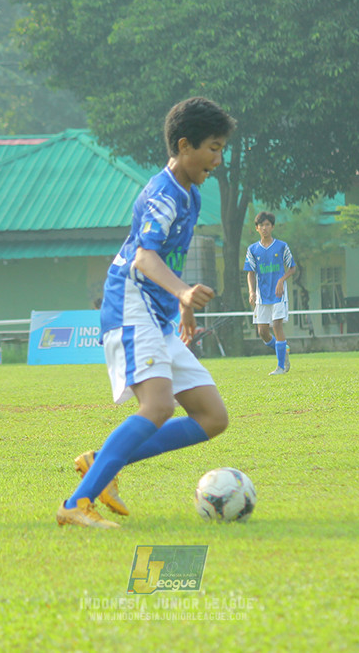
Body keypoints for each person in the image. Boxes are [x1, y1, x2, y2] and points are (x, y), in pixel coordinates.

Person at [57, 97, 236, 528]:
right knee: (157, 406)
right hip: (130, 305)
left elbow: (169, 259)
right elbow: (143, 258)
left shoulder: (189, 194)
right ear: (184, 144)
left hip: (157, 313)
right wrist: (184, 290)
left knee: (212, 417)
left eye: (222, 147)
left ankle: (100, 462)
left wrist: (182, 306)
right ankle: (76, 504)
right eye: (213, 147)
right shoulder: (162, 194)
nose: (219, 157)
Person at [244, 211, 297, 375]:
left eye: (267, 224)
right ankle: (283, 350)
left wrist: (282, 280)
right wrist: (252, 291)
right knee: (262, 332)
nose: (264, 228)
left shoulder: (282, 246)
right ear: (257, 228)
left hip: (278, 295)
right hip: (262, 295)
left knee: (277, 326)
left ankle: (281, 367)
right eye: (261, 225)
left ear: (272, 227)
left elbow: (293, 267)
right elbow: (250, 273)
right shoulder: (252, 249)